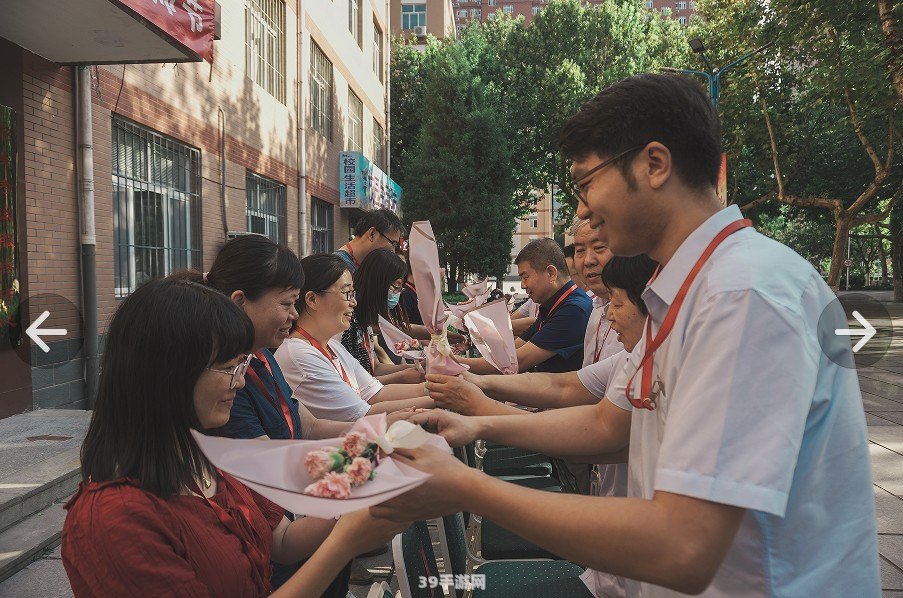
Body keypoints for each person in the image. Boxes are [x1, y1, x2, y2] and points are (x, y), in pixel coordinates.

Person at [373, 74, 880, 597]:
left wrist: (466, 486)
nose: (583, 211)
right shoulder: (684, 291)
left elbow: (683, 546)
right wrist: (473, 425)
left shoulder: (742, 295)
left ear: (654, 165)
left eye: (586, 183)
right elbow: (607, 427)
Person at [61, 278, 408, 597]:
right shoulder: (115, 520)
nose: (239, 382)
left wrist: (360, 494)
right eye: (228, 367)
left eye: (242, 366)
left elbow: (282, 540)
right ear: (169, 373)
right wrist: (344, 543)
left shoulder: (208, 455)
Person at [275, 254, 433, 422]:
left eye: (353, 293)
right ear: (313, 299)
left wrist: (433, 389)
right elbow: (364, 414)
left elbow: (375, 394)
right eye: (347, 293)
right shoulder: (300, 355)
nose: (354, 302)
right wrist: (443, 398)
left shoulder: (333, 347)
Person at [459, 238, 592, 374]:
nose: (522, 285)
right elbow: (511, 350)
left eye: (525, 277)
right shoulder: (553, 305)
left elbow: (515, 362)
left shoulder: (573, 311)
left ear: (551, 273)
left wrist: (452, 363)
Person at [341, 248, 424, 383]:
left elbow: (375, 367)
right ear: (377, 283)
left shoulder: (365, 319)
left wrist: (413, 369)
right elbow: (356, 384)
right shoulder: (348, 321)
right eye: (395, 287)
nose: (397, 294)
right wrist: (403, 375)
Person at [573, 218, 622, 367]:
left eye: (599, 247)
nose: (588, 260)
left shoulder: (646, 310)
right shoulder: (596, 309)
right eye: (580, 251)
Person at [335, 209, 405, 274]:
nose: (393, 251)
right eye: (393, 244)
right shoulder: (338, 268)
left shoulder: (363, 265)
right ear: (372, 234)